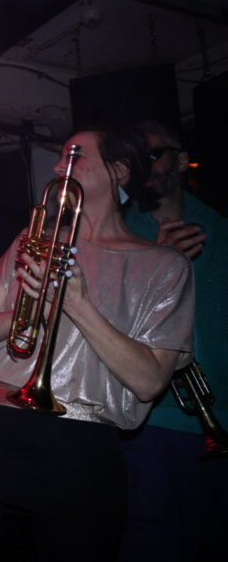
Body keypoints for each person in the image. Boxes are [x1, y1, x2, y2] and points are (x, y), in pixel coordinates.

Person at [0, 127, 195, 561]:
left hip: (78, 447)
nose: (61, 167)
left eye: (75, 157)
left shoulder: (163, 265)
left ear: (118, 170)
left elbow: (149, 382)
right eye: (62, 156)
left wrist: (76, 305)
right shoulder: (34, 239)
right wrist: (35, 312)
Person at [118, 120, 228, 562]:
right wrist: (160, 267)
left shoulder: (220, 228)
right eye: (133, 159)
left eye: (153, 154)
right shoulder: (118, 234)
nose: (143, 165)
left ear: (182, 160)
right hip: (155, 424)